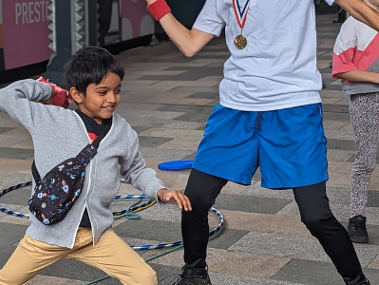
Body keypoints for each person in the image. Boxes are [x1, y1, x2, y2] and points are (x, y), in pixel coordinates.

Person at [143, 0, 379, 284]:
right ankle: (194, 273)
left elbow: (358, 6)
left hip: (294, 109)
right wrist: (154, 2)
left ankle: (357, 281)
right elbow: (190, 44)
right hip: (234, 110)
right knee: (195, 198)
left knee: (315, 215)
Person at [0, 46, 191, 285]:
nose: (112, 99)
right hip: (48, 235)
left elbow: (136, 170)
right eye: (102, 92)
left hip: (95, 237)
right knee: (4, 281)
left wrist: (159, 190)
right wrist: (49, 89)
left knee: (145, 278)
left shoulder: (123, 131)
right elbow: (5, 97)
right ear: (77, 94)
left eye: (117, 90)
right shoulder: (50, 120)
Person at [332, 0, 379, 244]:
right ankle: (357, 216)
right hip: (365, 97)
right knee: (365, 159)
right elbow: (340, 67)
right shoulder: (353, 23)